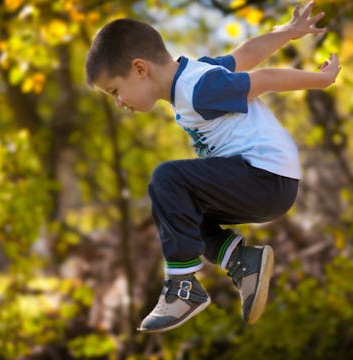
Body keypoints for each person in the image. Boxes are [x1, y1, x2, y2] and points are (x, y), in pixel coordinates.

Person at [85, 1, 340, 333]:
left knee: (167, 179)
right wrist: (287, 33)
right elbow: (244, 55)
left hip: (265, 177)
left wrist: (321, 81)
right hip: (267, 181)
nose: (119, 103)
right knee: (177, 208)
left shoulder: (199, 90)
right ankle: (242, 262)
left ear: (139, 68)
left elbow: (262, 78)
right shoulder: (196, 77)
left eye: (116, 92)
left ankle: (182, 288)